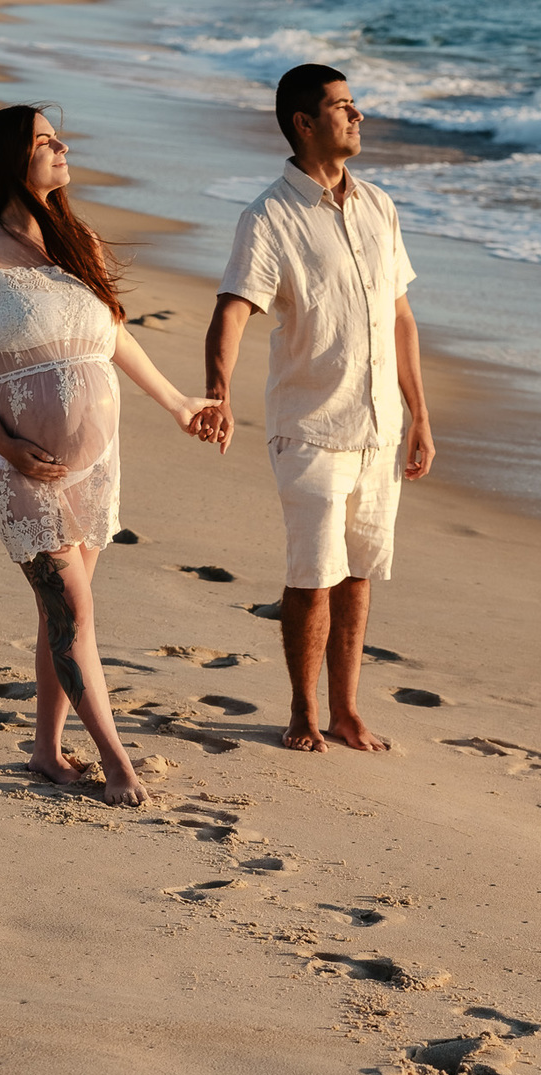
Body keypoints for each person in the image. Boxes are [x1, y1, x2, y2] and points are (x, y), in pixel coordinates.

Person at [0, 105, 218, 805]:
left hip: (97, 466)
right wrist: (5, 443)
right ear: (12, 159)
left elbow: (114, 337)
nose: (63, 147)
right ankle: (117, 761)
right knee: (73, 615)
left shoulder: (76, 239)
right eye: (45, 141)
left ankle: (44, 748)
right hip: (21, 466)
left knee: (61, 614)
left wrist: (181, 403)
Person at [203, 64, 436, 754]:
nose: (357, 117)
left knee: (359, 571)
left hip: (377, 430)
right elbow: (232, 310)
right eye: (342, 107)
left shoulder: (378, 206)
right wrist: (219, 391)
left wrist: (418, 414)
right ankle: (303, 712)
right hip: (310, 428)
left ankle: (346, 710)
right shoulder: (269, 217)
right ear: (305, 124)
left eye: (355, 105)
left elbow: (401, 319)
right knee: (312, 575)